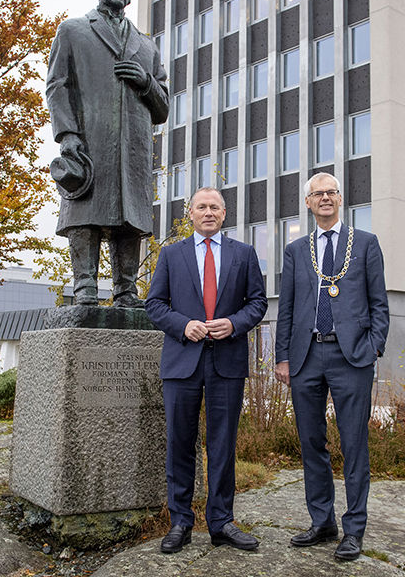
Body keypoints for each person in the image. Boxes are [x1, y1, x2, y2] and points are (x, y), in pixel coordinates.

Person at [274, 172, 390, 561]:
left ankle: (353, 530)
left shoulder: (366, 244)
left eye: (331, 192)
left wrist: (374, 347)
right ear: (307, 203)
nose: (325, 198)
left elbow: (379, 304)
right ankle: (322, 521)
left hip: (352, 357)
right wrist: (282, 357)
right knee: (311, 444)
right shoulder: (295, 250)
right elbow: (286, 308)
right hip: (306, 357)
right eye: (317, 194)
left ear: (340, 199)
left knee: (354, 445)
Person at [145, 187, 268, 554]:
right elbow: (154, 304)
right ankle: (181, 521)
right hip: (182, 363)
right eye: (202, 206)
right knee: (180, 444)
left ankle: (221, 522)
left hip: (227, 363)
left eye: (215, 207)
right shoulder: (171, 255)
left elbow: (258, 302)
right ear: (191, 214)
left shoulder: (243, 255)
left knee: (223, 445)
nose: (209, 212)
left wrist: (233, 323)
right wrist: (184, 325)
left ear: (224, 213)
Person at [46, 0, 169, 307]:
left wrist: (145, 82)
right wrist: (68, 135)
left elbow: (163, 108)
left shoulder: (146, 47)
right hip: (89, 141)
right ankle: (84, 285)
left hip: (134, 148)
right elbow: (57, 85)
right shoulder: (73, 30)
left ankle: (126, 288)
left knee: (128, 215)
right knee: (86, 212)